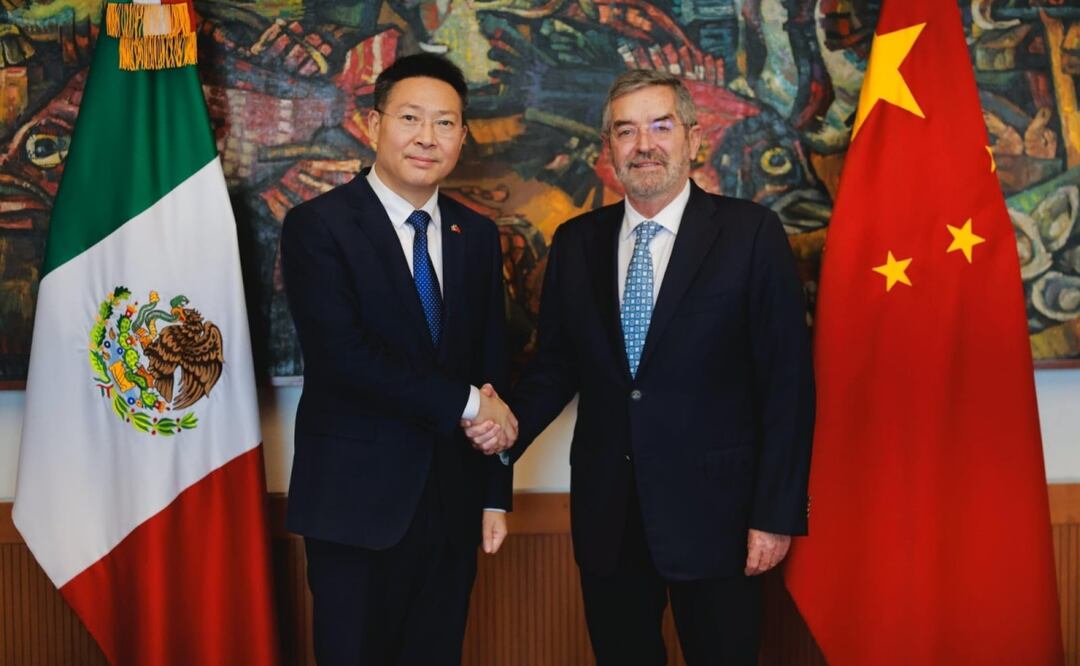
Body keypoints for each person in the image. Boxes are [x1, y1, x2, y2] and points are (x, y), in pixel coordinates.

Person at [467, 69, 815, 665]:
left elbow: (787, 384)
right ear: (609, 150)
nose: (643, 144)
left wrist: (775, 514)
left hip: (721, 519)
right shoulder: (577, 242)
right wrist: (503, 428)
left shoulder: (748, 233)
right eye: (625, 131)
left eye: (660, 126)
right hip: (611, 519)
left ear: (693, 139)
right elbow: (555, 367)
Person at [281, 53, 518, 665]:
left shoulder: (478, 235)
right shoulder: (319, 226)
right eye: (410, 118)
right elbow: (344, 358)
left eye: (445, 124)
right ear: (372, 124)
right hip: (354, 508)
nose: (426, 137)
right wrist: (470, 403)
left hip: (453, 508)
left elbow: (494, 366)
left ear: (463, 138)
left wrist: (496, 492)